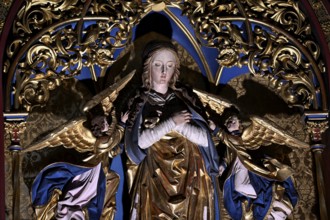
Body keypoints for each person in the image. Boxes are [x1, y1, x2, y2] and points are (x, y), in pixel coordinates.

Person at [123, 40, 221, 219]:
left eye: (169, 66)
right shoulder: (140, 103)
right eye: (158, 65)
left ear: (175, 69)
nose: (163, 72)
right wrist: (171, 122)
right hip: (155, 174)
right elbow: (139, 144)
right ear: (148, 68)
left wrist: (180, 125)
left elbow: (206, 140)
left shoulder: (185, 99)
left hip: (189, 171)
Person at [210, 107, 298, 220]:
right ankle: (272, 200)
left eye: (232, 121)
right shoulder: (230, 141)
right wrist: (223, 165)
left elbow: (234, 143)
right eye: (227, 122)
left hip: (248, 167)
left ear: (240, 124)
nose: (229, 123)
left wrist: (216, 129)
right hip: (237, 166)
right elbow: (228, 156)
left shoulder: (239, 138)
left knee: (239, 186)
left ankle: (272, 198)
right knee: (237, 189)